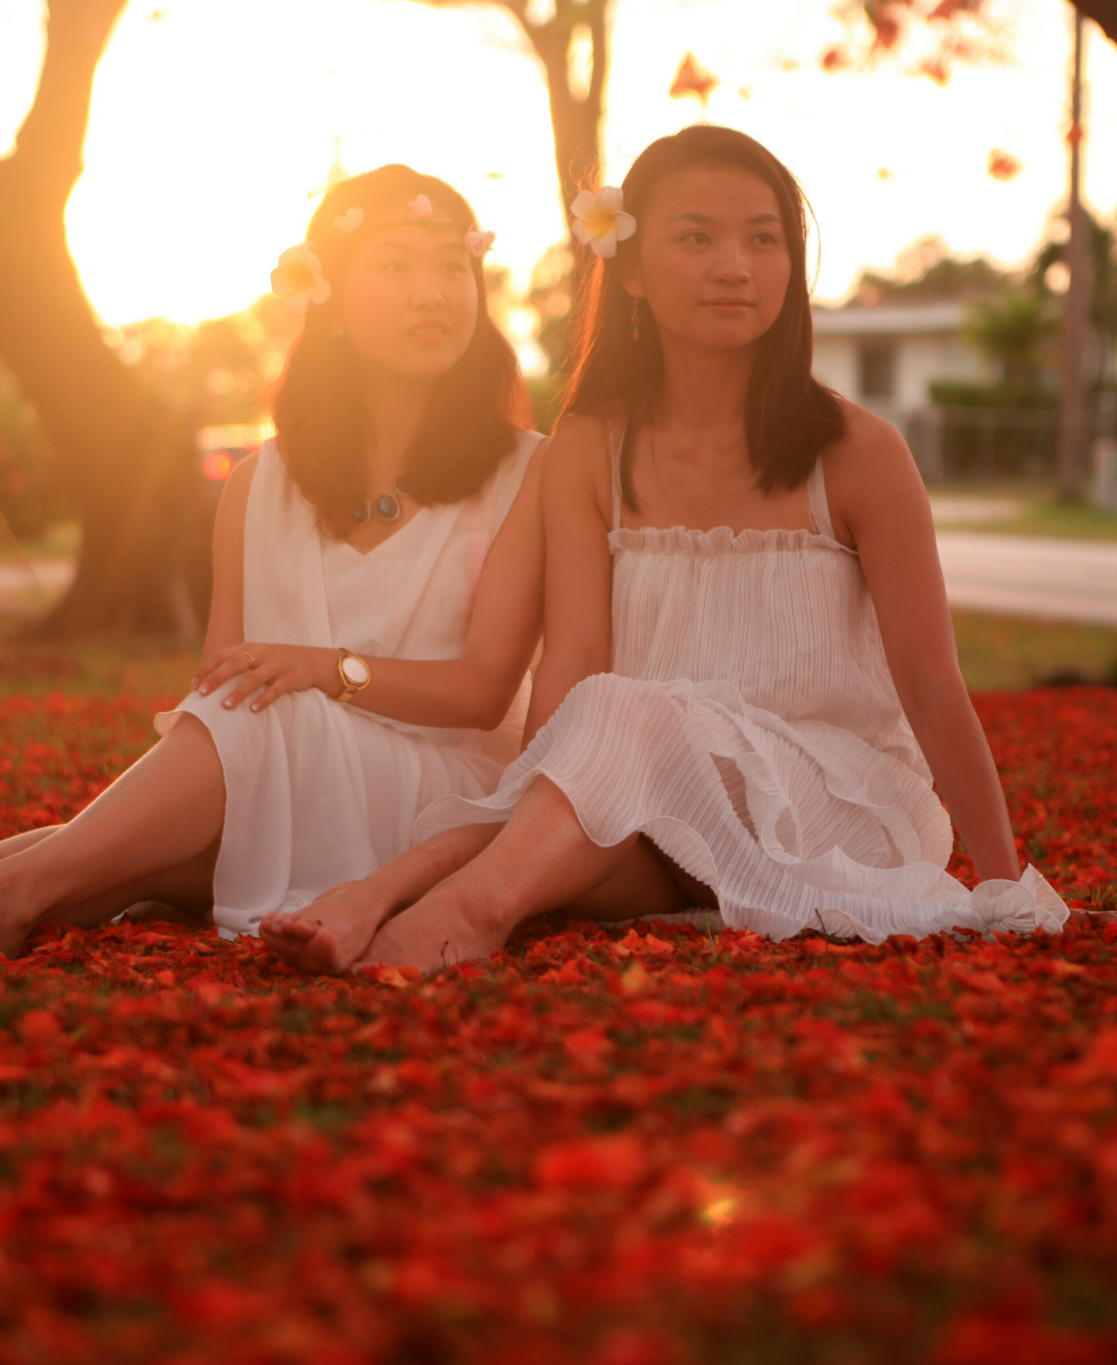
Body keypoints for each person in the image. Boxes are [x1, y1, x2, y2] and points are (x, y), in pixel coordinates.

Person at [261, 126, 1073, 976]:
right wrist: (540, 786)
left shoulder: (860, 453)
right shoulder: (589, 447)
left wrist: (1002, 876)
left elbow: (933, 683)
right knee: (592, 745)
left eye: (764, 239)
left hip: (834, 805)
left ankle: (460, 907)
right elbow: (570, 680)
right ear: (636, 271)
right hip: (659, 814)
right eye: (699, 237)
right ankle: (386, 889)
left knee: (621, 716)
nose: (737, 265)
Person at [0, 164, 545, 959]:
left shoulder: (527, 471)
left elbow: (485, 690)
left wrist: (328, 669)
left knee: (244, 742)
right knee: (169, 816)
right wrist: (289, 689)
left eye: (450, 264)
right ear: (327, 300)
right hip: (289, 767)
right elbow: (219, 693)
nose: (434, 291)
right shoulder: (262, 482)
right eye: (397, 265)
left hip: (442, 798)